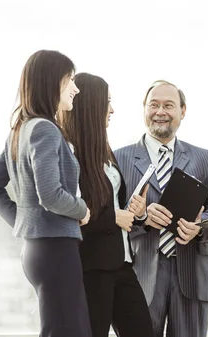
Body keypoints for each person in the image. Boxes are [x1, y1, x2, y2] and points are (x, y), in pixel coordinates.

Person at [0, 50, 93, 337]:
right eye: (70, 80)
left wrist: (24, 221)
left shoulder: (21, 130)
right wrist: (82, 209)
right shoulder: (46, 130)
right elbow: (51, 195)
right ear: (52, 82)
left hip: (38, 249)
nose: (76, 88)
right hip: (55, 249)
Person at [114, 80, 208, 337]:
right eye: (153, 105)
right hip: (139, 274)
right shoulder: (118, 158)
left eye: (168, 105)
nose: (160, 111)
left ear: (183, 111)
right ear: (144, 109)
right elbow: (110, 214)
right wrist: (142, 217)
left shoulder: (203, 157)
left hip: (190, 274)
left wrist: (200, 227)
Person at [59, 72, 154, 337]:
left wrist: (136, 210)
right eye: (107, 101)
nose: (111, 109)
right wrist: (113, 217)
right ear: (91, 105)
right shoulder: (68, 151)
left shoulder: (102, 149)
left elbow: (110, 203)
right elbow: (68, 212)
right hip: (91, 267)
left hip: (121, 263)